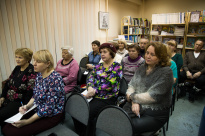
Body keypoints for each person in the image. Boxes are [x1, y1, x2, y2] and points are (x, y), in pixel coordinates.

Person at [2, 50, 65, 136]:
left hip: (52, 115)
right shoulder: (39, 75)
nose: (34, 64)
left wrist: (27, 122)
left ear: (48, 64)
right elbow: (35, 95)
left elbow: (48, 108)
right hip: (38, 108)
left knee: (12, 132)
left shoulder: (55, 79)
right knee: (7, 127)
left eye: (38, 62)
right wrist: (27, 106)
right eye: (34, 60)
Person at [123, 42, 173, 135]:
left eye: (152, 54)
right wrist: (134, 101)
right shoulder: (143, 67)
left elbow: (153, 96)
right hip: (137, 105)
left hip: (155, 113)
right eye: (147, 53)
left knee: (126, 125)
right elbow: (132, 85)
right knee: (119, 120)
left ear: (161, 57)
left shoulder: (166, 72)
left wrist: (132, 98)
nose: (148, 56)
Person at [74, 43, 123, 136]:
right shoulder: (99, 66)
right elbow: (90, 78)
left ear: (112, 53)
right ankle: (81, 131)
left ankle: (87, 133)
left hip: (107, 97)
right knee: (77, 106)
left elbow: (110, 85)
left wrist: (93, 91)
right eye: (101, 52)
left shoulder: (117, 66)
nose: (102, 54)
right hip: (93, 94)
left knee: (87, 112)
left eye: (105, 52)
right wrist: (90, 88)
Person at [0, 48, 36, 127]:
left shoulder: (31, 70)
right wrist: (2, 96)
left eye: (20, 57)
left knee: (1, 115)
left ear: (27, 59)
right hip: (7, 98)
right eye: (16, 57)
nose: (17, 59)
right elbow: (8, 83)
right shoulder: (17, 68)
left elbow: (30, 90)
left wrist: (25, 107)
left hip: (19, 102)